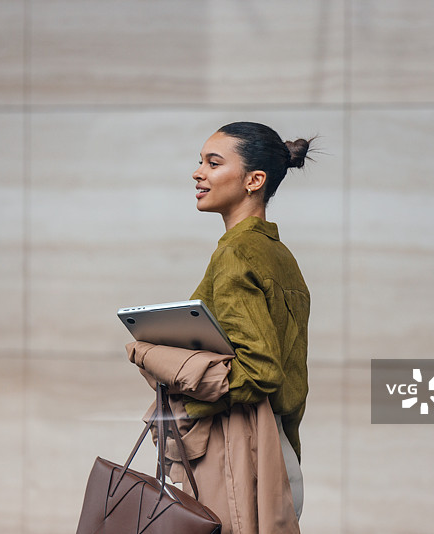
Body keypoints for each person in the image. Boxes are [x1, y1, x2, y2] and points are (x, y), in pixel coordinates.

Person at [129, 121, 312, 534]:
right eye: (200, 163)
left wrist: (189, 403)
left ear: (254, 180)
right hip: (278, 452)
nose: (198, 173)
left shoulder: (236, 255)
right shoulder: (278, 255)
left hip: (241, 455)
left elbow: (260, 370)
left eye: (213, 163)